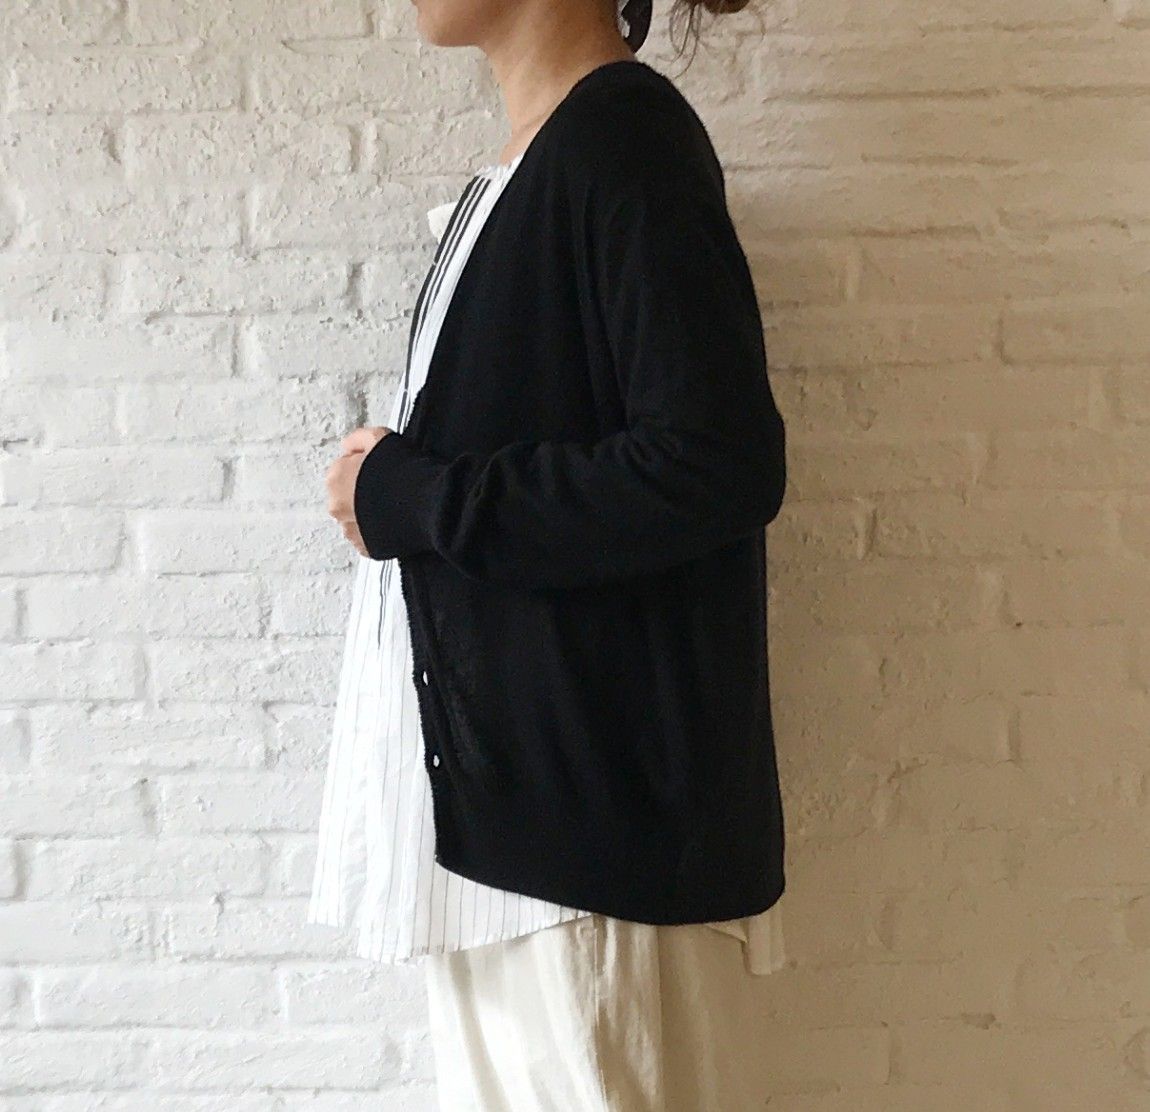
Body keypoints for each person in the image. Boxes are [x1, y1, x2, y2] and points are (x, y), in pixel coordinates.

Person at [312, 0, 789, 1106]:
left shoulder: (624, 141)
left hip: (588, 862)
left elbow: (715, 464)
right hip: (521, 844)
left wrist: (415, 497)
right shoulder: (538, 164)